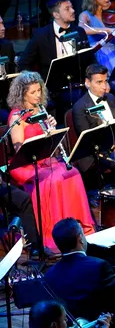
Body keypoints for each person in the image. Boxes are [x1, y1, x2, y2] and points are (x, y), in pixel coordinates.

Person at [6, 72, 94, 251]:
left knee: (72, 173)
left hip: (44, 160)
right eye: (33, 92)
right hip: (24, 164)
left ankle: (74, 227)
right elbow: (19, 149)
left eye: (39, 90)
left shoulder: (41, 110)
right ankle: (53, 232)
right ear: (22, 94)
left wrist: (51, 131)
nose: (38, 95)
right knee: (53, 180)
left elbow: (50, 143)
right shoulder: (16, 117)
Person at [16, 0, 88, 77]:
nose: (72, 10)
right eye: (67, 9)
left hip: (78, 80)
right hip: (52, 83)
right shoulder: (41, 35)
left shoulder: (80, 31)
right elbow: (23, 63)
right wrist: (35, 80)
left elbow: (89, 58)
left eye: (72, 7)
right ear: (56, 15)